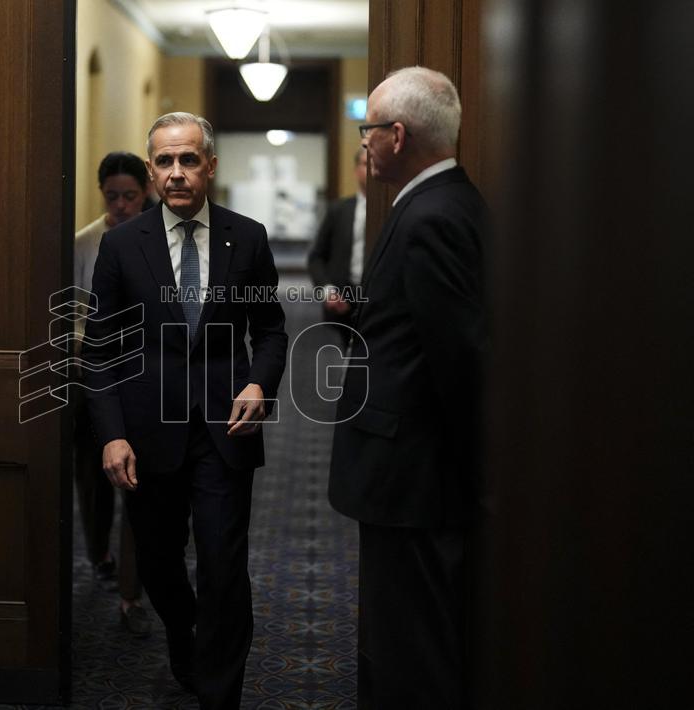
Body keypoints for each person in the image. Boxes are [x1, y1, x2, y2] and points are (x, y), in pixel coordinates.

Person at [82, 112, 287, 709]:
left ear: (210, 166)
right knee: (161, 566)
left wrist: (260, 384)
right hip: (148, 434)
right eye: (165, 162)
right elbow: (99, 350)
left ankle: (219, 693)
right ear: (151, 171)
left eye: (188, 160)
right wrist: (111, 436)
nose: (177, 173)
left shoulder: (245, 238)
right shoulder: (123, 245)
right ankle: (181, 630)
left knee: (224, 567)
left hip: (227, 427)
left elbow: (271, 331)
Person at [327, 67, 488, 709]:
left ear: (397, 135)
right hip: (410, 468)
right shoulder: (436, 201)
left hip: (414, 472)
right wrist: (363, 311)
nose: (363, 143)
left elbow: (462, 356)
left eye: (368, 130)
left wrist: (481, 473)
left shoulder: (432, 215)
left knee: (410, 643)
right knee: (401, 633)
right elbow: (420, 319)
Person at [73, 151, 153, 638]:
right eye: (112, 197)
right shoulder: (85, 241)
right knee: (92, 471)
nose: (121, 205)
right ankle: (98, 550)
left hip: (143, 371)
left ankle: (132, 585)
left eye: (130, 196)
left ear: (145, 192)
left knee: (139, 480)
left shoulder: (158, 238)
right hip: (93, 366)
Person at [307, 141, 369, 342]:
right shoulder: (339, 210)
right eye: (364, 163)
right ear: (355, 169)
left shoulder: (393, 210)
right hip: (346, 297)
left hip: (380, 298)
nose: (369, 169)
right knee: (351, 359)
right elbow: (317, 256)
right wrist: (328, 290)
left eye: (373, 162)